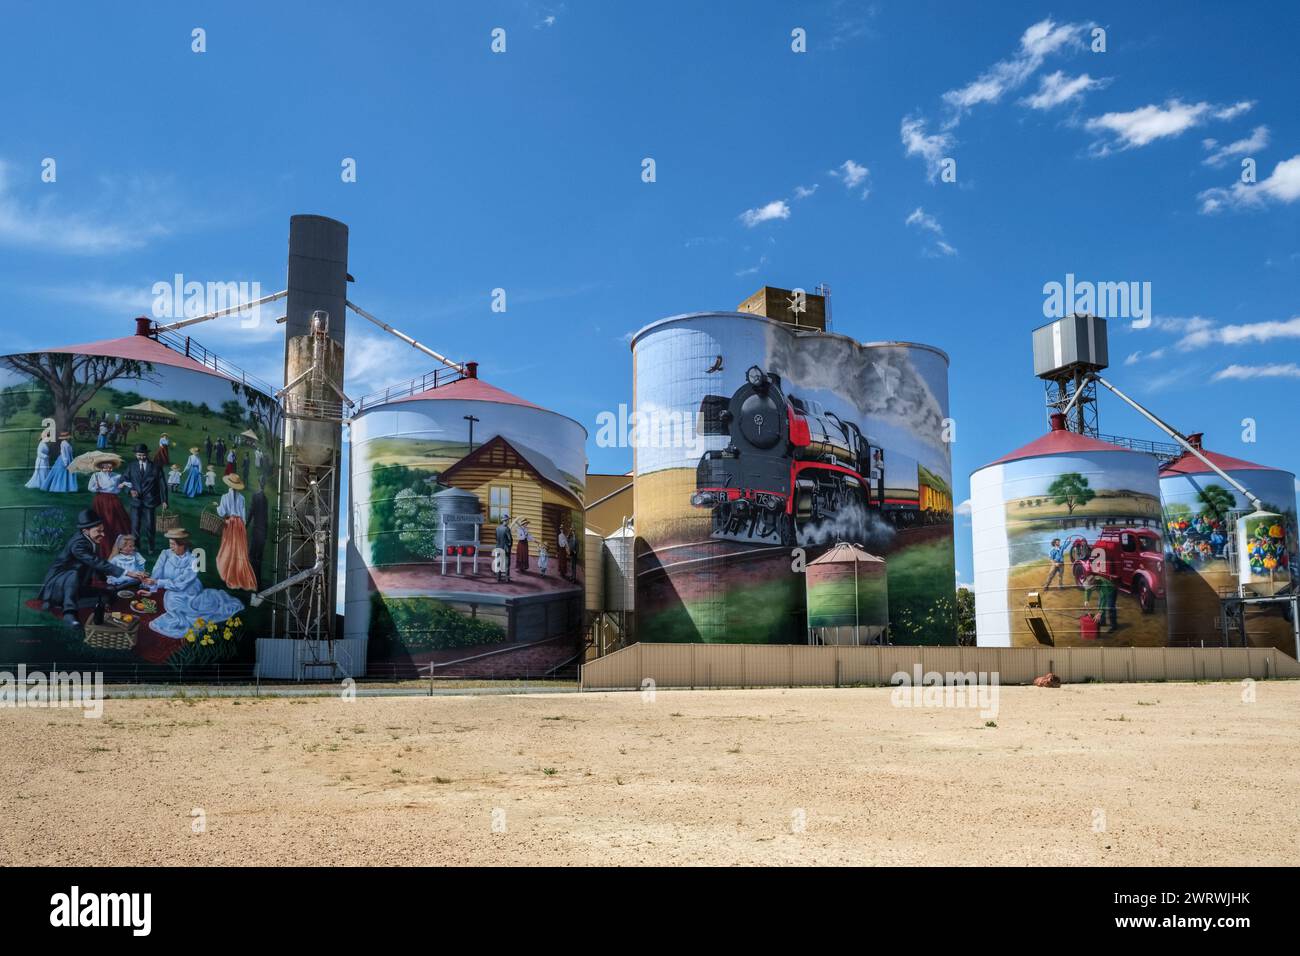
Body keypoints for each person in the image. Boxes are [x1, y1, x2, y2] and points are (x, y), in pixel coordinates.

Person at [36, 510, 145, 628]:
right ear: (85, 531)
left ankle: (62, 604)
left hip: (78, 585)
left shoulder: (91, 540)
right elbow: (95, 562)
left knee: (108, 596)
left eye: (102, 530)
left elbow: (95, 564)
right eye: (99, 531)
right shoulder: (78, 544)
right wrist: (128, 573)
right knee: (73, 574)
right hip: (58, 586)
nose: (103, 534)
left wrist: (106, 580)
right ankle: (69, 612)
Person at [142, 528, 244, 639]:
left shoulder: (193, 560)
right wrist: (151, 589)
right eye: (170, 544)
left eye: (173, 544)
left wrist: (158, 582)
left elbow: (182, 583)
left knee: (187, 607)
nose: (170, 547)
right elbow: (156, 573)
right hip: (172, 590)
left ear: (182, 545)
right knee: (171, 600)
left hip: (190, 590)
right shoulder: (165, 554)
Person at [215, 474, 258, 591]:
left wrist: (217, 507)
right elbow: (243, 516)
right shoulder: (242, 498)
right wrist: (242, 526)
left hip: (230, 524)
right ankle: (237, 573)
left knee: (228, 547)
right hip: (239, 525)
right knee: (239, 550)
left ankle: (229, 572)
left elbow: (222, 512)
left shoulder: (224, 497)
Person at [124, 442, 168, 554]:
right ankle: (136, 547)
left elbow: (162, 484)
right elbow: (124, 480)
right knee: (135, 526)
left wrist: (164, 501)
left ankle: (151, 547)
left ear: (147, 454)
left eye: (143, 455)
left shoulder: (155, 467)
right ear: (135, 455)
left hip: (150, 501)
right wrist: (130, 490)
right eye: (139, 455)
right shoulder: (131, 466)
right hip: (136, 502)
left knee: (150, 526)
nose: (141, 457)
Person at [87, 454, 132, 559]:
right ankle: (101, 545)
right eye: (106, 466)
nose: (109, 469)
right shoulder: (96, 476)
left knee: (115, 521)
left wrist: (121, 486)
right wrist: (96, 487)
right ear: (102, 467)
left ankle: (118, 545)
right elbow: (90, 488)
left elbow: (123, 486)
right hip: (100, 501)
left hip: (113, 501)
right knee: (102, 521)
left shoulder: (116, 476)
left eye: (110, 466)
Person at [246, 475, 270, 590]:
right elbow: (265, 518)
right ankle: (257, 583)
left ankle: (251, 581)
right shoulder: (265, 499)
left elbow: (251, 512)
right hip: (262, 531)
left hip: (256, 531)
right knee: (258, 559)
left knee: (251, 556)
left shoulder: (256, 496)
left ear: (259, 482)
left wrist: (245, 525)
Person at [494, 513, 513, 583]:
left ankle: (498, 578)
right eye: (508, 520)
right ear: (505, 521)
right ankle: (507, 579)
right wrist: (509, 546)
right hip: (506, 548)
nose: (508, 521)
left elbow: (496, 538)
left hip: (498, 547)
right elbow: (510, 540)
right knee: (507, 564)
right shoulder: (507, 529)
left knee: (499, 563)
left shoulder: (497, 528)